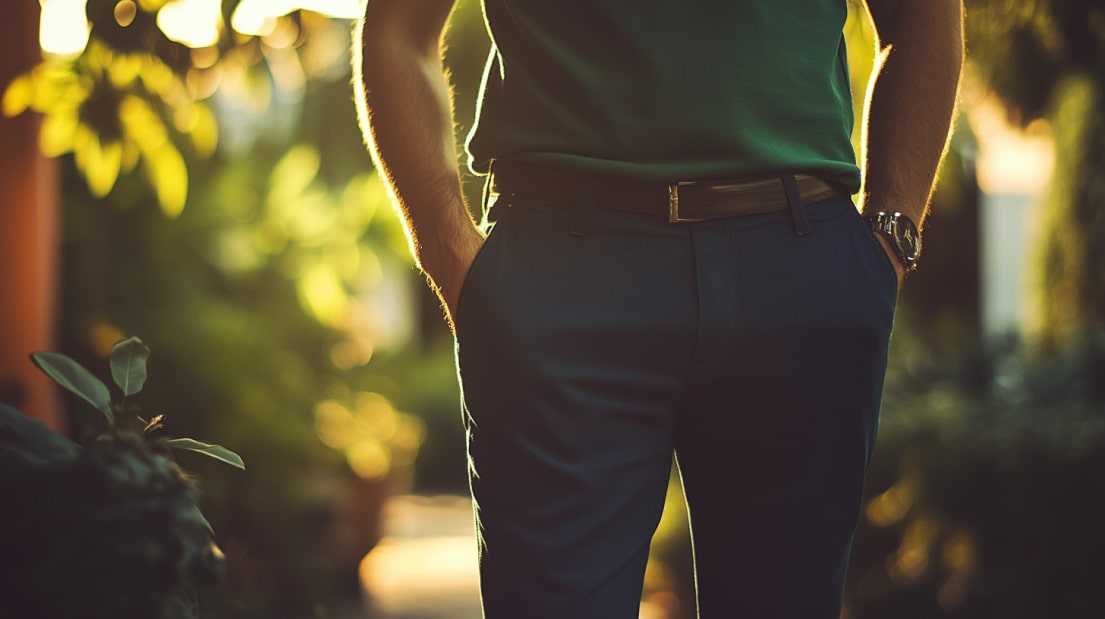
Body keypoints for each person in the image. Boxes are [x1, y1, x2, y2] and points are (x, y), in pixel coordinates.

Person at [354, 0, 963, 617]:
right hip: (560, 276)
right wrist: (452, 253)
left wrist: (889, 241)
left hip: (800, 270)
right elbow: (399, 30)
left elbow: (922, 15)